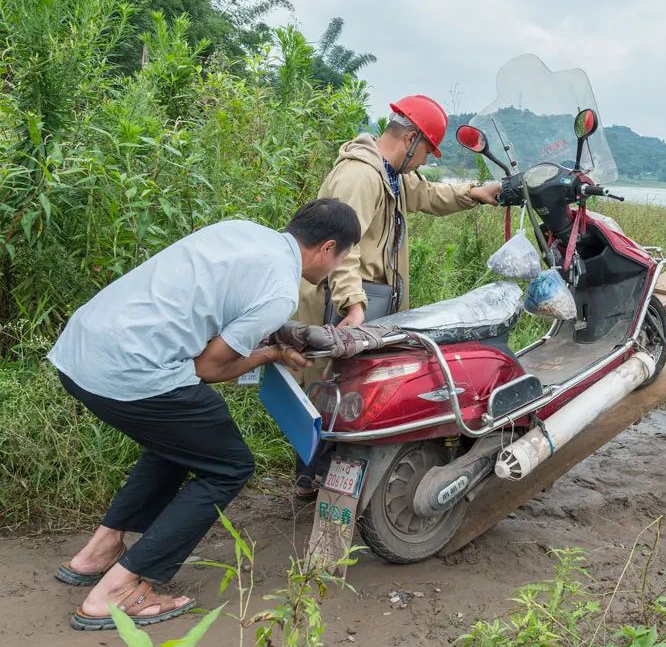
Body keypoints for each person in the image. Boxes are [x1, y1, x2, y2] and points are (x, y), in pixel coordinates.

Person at [47, 199, 361, 631]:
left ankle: (98, 552)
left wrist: (267, 335)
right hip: (128, 369)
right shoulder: (279, 290)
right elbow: (209, 369)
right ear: (327, 248)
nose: (335, 267)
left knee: (183, 437)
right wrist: (270, 353)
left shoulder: (240, 229)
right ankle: (116, 591)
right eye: (342, 258)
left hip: (80, 350)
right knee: (230, 464)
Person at [290, 94, 500, 497]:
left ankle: (330, 478)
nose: (423, 162)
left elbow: (428, 194)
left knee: (354, 386)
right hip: (343, 300)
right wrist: (353, 303)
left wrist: (474, 193)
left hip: (368, 299)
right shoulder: (360, 177)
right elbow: (338, 248)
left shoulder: (391, 175)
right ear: (410, 140)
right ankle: (312, 481)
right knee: (329, 388)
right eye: (425, 152)